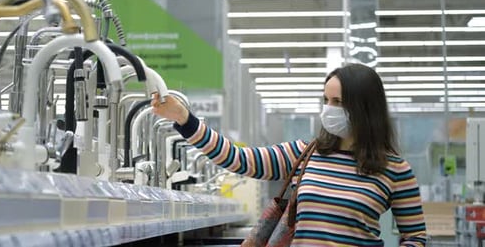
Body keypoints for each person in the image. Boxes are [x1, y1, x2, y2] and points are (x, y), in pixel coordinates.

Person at [151, 63, 427, 247]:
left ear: (364, 108)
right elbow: (237, 159)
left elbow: (415, 236)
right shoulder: (304, 154)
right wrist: (185, 120)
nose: (328, 109)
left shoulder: (395, 170)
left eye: (338, 102)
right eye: (326, 100)